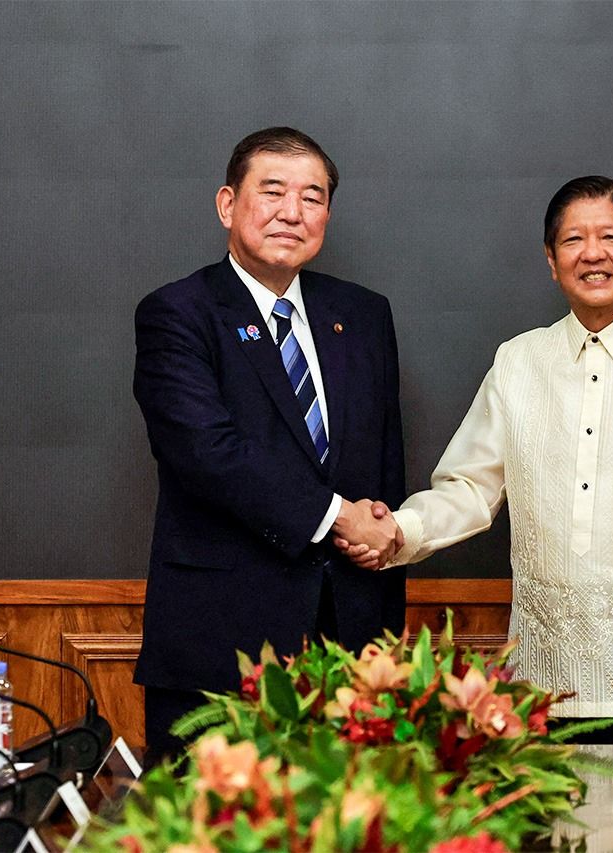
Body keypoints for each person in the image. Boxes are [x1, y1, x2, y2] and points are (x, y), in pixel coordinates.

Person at [340, 176, 613, 743]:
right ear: (551, 260)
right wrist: (399, 530)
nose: (592, 254)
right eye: (573, 240)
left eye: (611, 237)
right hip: (539, 683)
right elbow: (469, 488)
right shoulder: (518, 361)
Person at [133, 127, 406, 764]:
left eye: (312, 197)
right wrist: (338, 516)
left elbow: (384, 460)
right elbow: (207, 453)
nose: (292, 212)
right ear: (228, 204)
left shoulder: (363, 314)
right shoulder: (178, 313)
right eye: (273, 191)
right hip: (222, 644)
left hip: (352, 645)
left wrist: (382, 544)